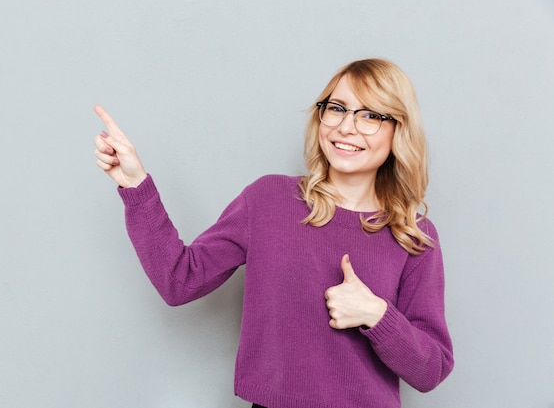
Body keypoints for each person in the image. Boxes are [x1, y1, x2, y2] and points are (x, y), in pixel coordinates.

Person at [93, 58, 454, 408]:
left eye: (371, 115)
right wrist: (135, 185)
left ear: (398, 130)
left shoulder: (414, 235)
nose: (347, 127)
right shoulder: (269, 200)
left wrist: (376, 315)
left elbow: (431, 370)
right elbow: (179, 280)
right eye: (337, 108)